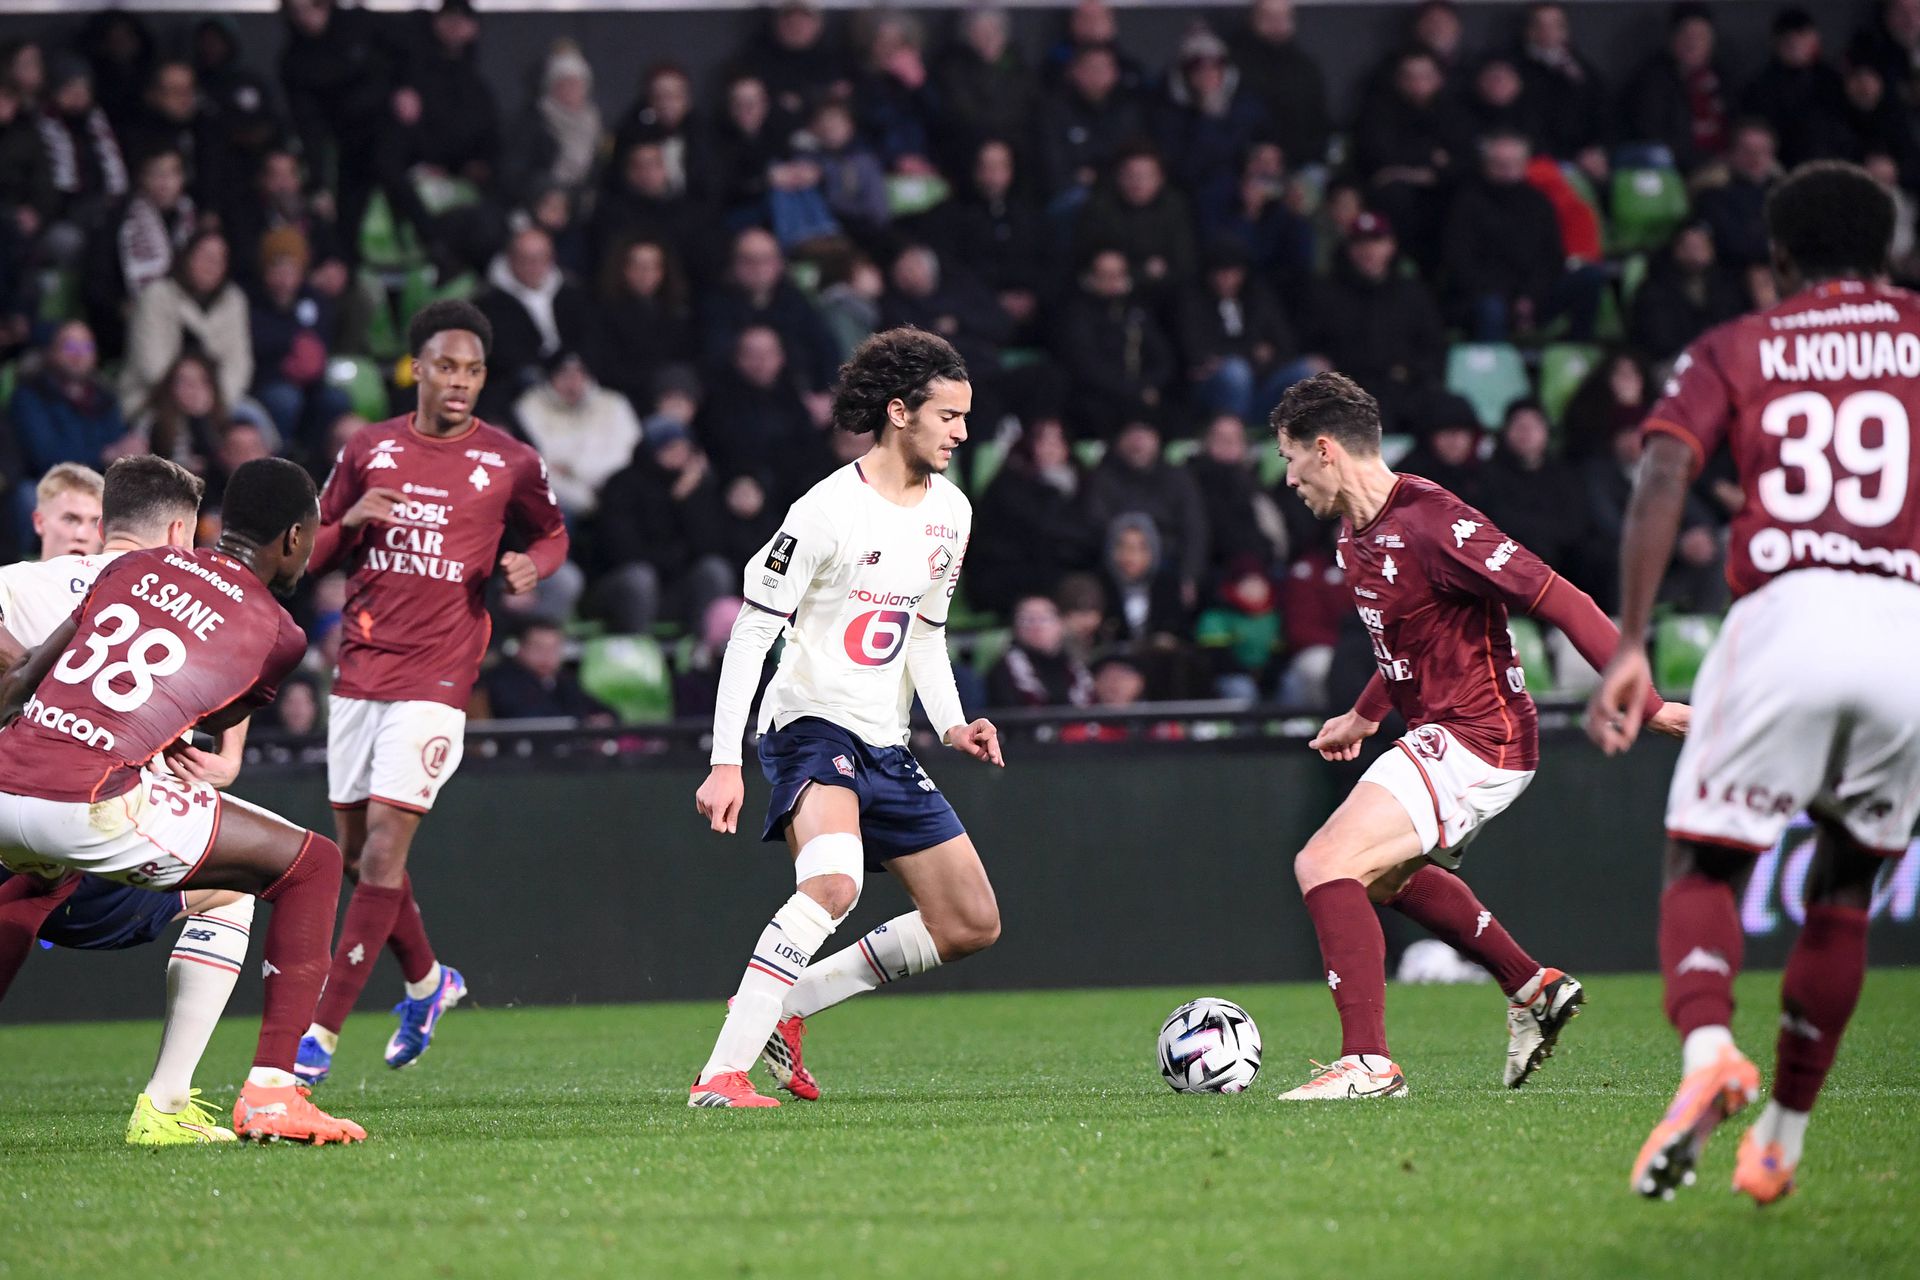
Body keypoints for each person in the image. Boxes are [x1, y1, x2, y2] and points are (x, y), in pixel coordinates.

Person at [1587, 161, 1920, 1206]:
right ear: (1890, 253)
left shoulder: (1740, 343)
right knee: (1845, 891)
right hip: (1908, 626)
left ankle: (1709, 1055)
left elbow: (1663, 470)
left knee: (1707, 861)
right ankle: (1780, 1138)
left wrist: (1631, 641)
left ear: (1777, 259)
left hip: (1787, 614)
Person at [1267, 371, 1685, 1100]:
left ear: (1325, 449)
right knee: (1382, 876)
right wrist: (1366, 713)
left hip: (1481, 734)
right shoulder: (1354, 535)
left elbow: (1560, 596)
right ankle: (1531, 987)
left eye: (1290, 458)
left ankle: (1368, 1064)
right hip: (1448, 732)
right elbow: (1403, 639)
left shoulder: (1433, 520)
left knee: (1325, 862)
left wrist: (1644, 703)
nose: (1289, 478)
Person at [0, 455, 365, 1145]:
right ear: (294, 538)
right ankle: (269, 1095)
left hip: (8, 775)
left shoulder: (134, 568)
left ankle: (175, 1106)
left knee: (38, 880)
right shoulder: (280, 633)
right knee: (312, 864)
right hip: (89, 798)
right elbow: (211, 721)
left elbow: (21, 680)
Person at [689, 327, 1003, 1107]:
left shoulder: (952, 512)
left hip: (885, 743)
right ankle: (720, 1075)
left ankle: (784, 1005)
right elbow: (751, 633)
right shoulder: (826, 510)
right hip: (810, 727)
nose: (962, 433)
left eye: (965, 417)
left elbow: (924, 633)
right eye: (949, 416)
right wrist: (725, 761)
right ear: (899, 412)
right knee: (832, 884)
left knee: (969, 922)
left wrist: (953, 723)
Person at [293, 300, 569, 1086]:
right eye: (446, 366)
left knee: (385, 847)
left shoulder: (510, 460)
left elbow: (552, 533)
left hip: (440, 675)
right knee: (358, 859)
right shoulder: (367, 447)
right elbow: (309, 552)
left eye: (473, 370)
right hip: (360, 671)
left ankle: (318, 1035)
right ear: (417, 368)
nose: (460, 381)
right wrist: (351, 520)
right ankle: (428, 983)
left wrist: (533, 566)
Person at [512, 349, 641, 521]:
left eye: (579, 374)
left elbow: (627, 453)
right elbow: (540, 459)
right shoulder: (530, 406)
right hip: (562, 493)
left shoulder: (613, 404)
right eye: (564, 375)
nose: (572, 383)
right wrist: (584, 497)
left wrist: (577, 469)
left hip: (612, 488)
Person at [480, 617, 611, 723]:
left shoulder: (564, 681)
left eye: (553, 649)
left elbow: (600, 710)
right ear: (521, 649)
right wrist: (583, 722)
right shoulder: (502, 680)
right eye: (538, 648)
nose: (546, 655)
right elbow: (527, 717)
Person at [987, 594, 1094, 710]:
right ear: (1016, 628)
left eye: (1044, 619)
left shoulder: (1074, 666)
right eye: (1027, 620)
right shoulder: (1003, 671)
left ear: (1060, 625)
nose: (1036, 627)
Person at [25, 463, 104, 565]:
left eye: (95, 524)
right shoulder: (10, 575)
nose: (82, 535)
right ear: (39, 522)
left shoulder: (116, 575)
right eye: (69, 520)